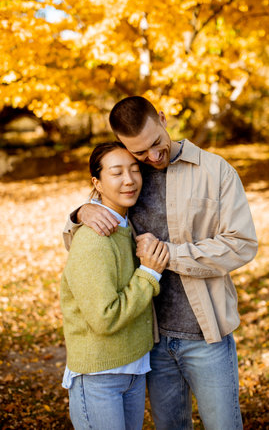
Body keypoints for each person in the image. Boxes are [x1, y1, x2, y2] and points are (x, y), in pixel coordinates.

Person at [63, 97, 258, 430]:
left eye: (156, 143)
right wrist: (80, 212)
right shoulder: (131, 175)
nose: (152, 157)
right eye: (139, 153)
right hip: (151, 342)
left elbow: (241, 244)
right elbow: (86, 238)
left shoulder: (215, 170)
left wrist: (167, 255)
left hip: (205, 335)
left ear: (164, 119)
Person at [61, 141, 169, 430]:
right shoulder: (94, 239)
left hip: (133, 368)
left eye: (135, 170)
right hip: (99, 377)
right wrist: (149, 273)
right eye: (116, 172)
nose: (129, 180)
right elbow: (104, 317)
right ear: (96, 182)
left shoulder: (125, 224)